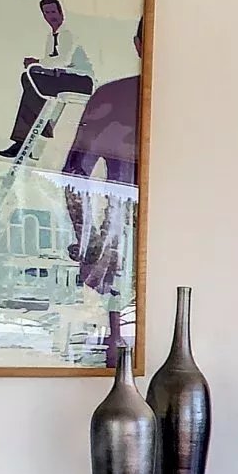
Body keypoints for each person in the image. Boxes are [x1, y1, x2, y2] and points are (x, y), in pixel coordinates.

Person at [60, 18, 142, 296]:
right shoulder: (112, 97)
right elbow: (75, 175)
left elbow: (74, 176)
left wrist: (90, 241)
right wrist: (91, 242)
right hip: (121, 231)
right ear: (139, 45)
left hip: (122, 233)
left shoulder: (112, 96)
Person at [0, 0, 93, 159]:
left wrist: (37, 62)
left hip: (80, 80)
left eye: (53, 12)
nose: (51, 16)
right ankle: (32, 135)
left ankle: (29, 137)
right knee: (29, 79)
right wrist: (38, 65)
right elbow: (51, 63)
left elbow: (63, 61)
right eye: (47, 13)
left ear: (61, 13)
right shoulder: (51, 36)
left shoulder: (68, 34)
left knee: (31, 80)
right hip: (64, 78)